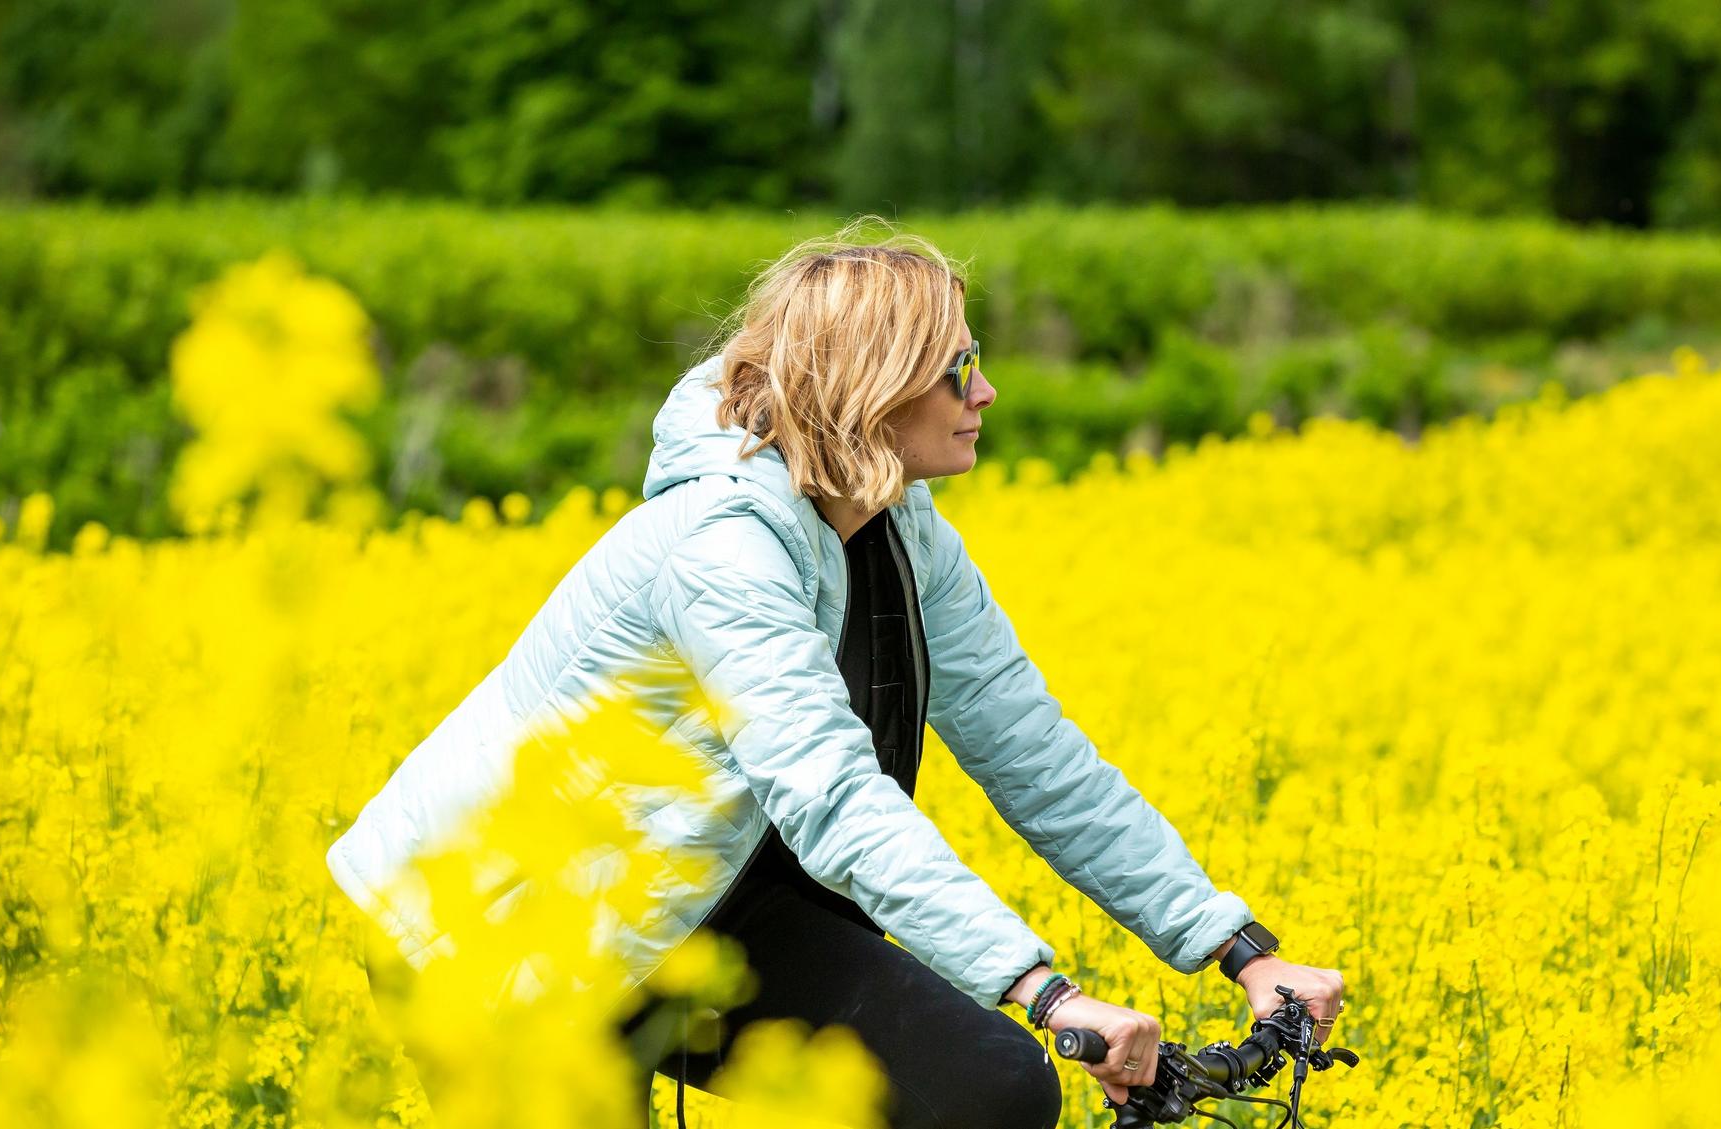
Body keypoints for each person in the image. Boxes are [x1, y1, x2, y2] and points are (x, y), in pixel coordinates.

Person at [326, 222, 1347, 1129]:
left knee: (989, 1091)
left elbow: (1035, 753)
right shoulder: (721, 544)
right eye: (958, 367)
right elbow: (835, 800)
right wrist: (1045, 992)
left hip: (702, 905)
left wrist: (1239, 947)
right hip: (503, 933)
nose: (986, 391)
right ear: (874, 388)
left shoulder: (897, 524)